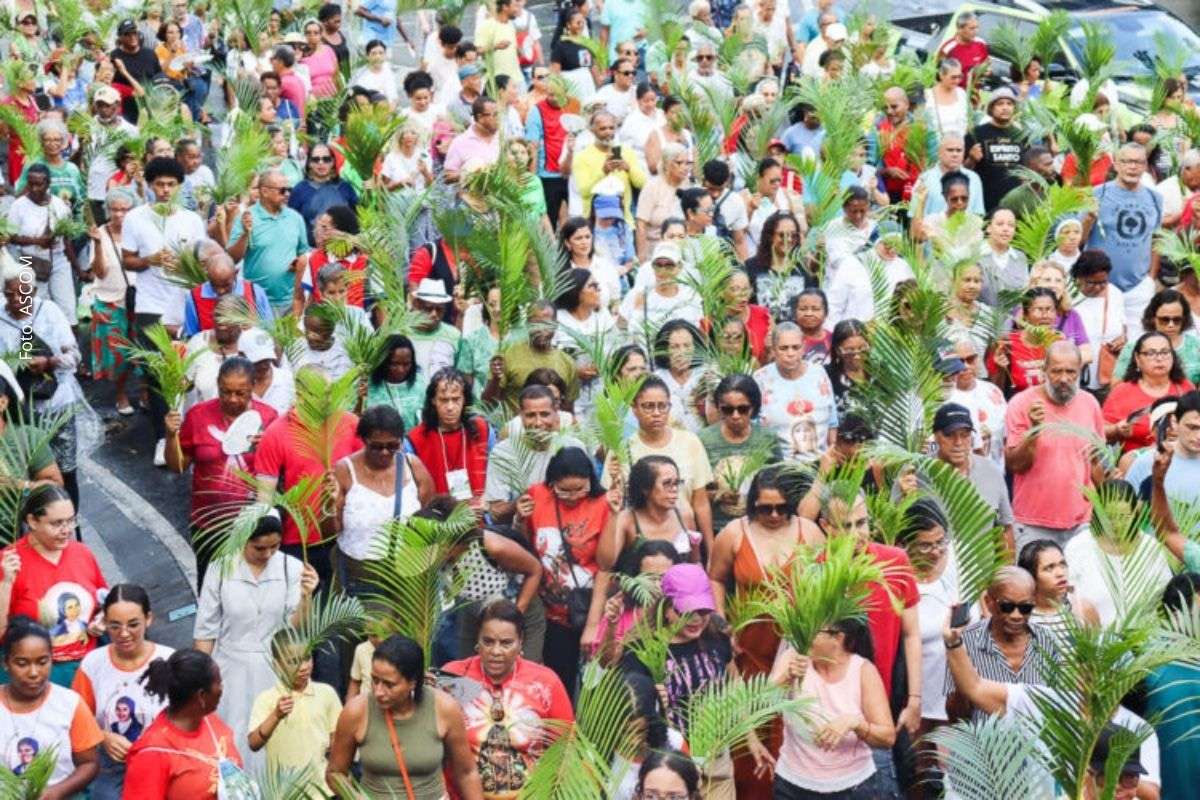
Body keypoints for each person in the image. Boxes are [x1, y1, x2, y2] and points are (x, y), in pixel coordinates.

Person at [707, 465, 822, 797]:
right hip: (749, 649)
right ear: (752, 505)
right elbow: (715, 578)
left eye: (782, 508)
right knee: (751, 731)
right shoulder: (734, 533)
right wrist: (720, 622)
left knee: (795, 730)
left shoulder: (810, 533)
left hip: (798, 647)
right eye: (765, 508)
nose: (773, 514)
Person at [193, 510, 318, 774]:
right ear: (243, 540)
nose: (267, 554)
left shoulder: (291, 568)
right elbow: (206, 630)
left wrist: (306, 597)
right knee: (232, 736)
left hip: (274, 669)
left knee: (274, 735)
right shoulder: (220, 568)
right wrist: (201, 682)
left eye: (274, 547)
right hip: (229, 668)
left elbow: (292, 631)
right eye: (259, 548)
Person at [621, 563, 736, 798]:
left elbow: (733, 685)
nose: (696, 619)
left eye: (703, 611)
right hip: (669, 766)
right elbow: (638, 715)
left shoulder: (717, 637)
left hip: (717, 761)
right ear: (665, 608)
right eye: (686, 612)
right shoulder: (641, 651)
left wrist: (752, 739)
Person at [442, 599, 575, 798]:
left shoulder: (545, 683)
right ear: (477, 641)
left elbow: (566, 750)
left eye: (506, 643)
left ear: (521, 642)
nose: (496, 651)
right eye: (488, 641)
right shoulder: (453, 677)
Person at [165, 357, 279, 589]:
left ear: (253, 387)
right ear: (217, 385)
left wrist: (266, 447)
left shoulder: (269, 418)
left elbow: (281, 471)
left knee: (252, 592)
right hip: (210, 526)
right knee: (212, 590)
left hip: (253, 528)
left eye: (241, 393)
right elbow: (177, 466)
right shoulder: (198, 415)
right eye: (225, 392)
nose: (232, 399)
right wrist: (170, 436)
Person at [326, 634, 484, 798]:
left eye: (389, 684)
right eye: (375, 680)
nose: (378, 691)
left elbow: (466, 772)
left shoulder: (444, 708)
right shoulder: (357, 711)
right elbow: (335, 773)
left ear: (413, 682)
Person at [516, 446, 615, 694]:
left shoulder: (603, 504)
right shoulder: (536, 496)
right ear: (551, 484)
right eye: (564, 490)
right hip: (551, 613)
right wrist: (519, 519)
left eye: (580, 489)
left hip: (590, 606)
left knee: (596, 686)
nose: (572, 496)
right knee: (558, 681)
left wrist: (593, 624)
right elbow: (525, 549)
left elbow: (606, 566)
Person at [254, 367, 363, 584]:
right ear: (300, 394)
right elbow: (264, 498)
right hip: (300, 545)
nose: (328, 399)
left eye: (330, 392)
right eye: (320, 394)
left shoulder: (350, 423)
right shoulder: (276, 433)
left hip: (347, 538)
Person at [768, 617, 897, 798]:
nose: (804, 637)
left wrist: (855, 723)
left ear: (838, 638)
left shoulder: (863, 670)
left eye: (813, 631)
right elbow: (761, 704)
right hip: (793, 785)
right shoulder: (793, 657)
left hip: (852, 787)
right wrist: (786, 677)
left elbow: (887, 737)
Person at [73, 585, 174, 800]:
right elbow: (76, 717)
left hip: (161, 767)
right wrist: (102, 737)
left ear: (148, 619)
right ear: (105, 623)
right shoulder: (94, 663)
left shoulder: (169, 662)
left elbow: (190, 720)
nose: (124, 634)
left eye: (133, 624)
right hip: (109, 772)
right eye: (115, 626)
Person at [0, 486, 106, 686]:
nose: (67, 530)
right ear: (32, 521)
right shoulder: (8, 564)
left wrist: (101, 620)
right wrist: (5, 584)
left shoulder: (82, 553)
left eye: (71, 520)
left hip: (90, 665)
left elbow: (105, 601)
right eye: (57, 523)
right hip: (38, 678)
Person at [1006, 341, 1106, 550]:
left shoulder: (1090, 403)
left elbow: (1096, 462)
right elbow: (1014, 464)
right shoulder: (1021, 403)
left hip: (1081, 522)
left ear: (1080, 371)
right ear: (1044, 371)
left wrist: (1106, 504)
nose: (1063, 379)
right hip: (1033, 523)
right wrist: (1034, 430)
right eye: (1056, 371)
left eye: (1070, 372)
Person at [331, 405, 434, 593]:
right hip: (361, 576)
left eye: (393, 446)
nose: (385, 452)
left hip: (407, 575)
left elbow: (429, 517)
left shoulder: (413, 467)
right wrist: (328, 505)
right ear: (363, 440)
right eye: (376, 446)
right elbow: (332, 529)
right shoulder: (345, 470)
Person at [121, 649, 243, 799]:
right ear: (201, 696)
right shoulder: (152, 754)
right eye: (219, 683)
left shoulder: (210, 719)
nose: (222, 688)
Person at [0, 617, 102, 794]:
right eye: (22, 663)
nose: (34, 673)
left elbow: (89, 763)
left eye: (42, 662)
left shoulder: (70, 704)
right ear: (6, 664)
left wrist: (58, 791)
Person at [944, 567, 1059, 722]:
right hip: (985, 744)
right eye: (1007, 607)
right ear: (988, 602)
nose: (1016, 615)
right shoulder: (965, 642)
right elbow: (954, 717)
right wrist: (965, 688)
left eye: (1025, 608)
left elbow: (1058, 708)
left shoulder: (1048, 641)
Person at [1063, 480, 1172, 626]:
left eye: (1123, 517)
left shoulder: (1151, 549)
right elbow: (1066, 597)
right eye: (1109, 517)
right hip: (1090, 641)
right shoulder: (1078, 547)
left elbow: (1164, 598)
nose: (1116, 525)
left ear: (1134, 513)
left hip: (1143, 640)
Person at [247, 629, 343, 795]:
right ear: (276, 664)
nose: (303, 667)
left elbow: (339, 742)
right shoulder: (267, 699)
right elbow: (253, 743)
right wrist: (276, 716)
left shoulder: (326, 693)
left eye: (307, 658)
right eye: (293, 661)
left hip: (322, 791)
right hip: (285, 793)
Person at [1083, 143, 1163, 337]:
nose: (1132, 167)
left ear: (1145, 166)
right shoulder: (1097, 193)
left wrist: (1150, 278)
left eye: (1138, 162)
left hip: (1138, 287)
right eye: (1127, 161)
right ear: (1116, 165)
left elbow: (1157, 240)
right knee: (1102, 344)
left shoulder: (1155, 198)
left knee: (1139, 343)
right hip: (1100, 284)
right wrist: (1088, 220)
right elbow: (1080, 239)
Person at [699, 375, 784, 532]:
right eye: (728, 409)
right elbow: (696, 493)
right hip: (717, 527)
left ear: (753, 408)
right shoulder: (703, 440)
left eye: (742, 409)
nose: (735, 416)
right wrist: (719, 495)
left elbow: (780, 485)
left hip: (759, 527)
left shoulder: (768, 438)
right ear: (719, 408)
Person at [225, 168, 310, 314]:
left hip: (291, 302)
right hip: (256, 302)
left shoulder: (295, 218)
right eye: (282, 190)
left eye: (289, 189)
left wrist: (299, 262)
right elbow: (231, 258)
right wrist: (245, 234)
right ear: (264, 192)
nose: (287, 194)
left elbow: (304, 253)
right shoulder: (247, 217)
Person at [755, 323, 838, 463]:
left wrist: (830, 455)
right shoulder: (760, 379)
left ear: (803, 347)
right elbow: (753, 426)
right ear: (774, 349)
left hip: (820, 466)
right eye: (783, 348)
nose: (790, 353)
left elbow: (832, 420)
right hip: (779, 468)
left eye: (795, 347)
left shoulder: (819, 373)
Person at [7, 162, 78, 324]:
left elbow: (67, 240)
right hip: (28, 260)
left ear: (48, 184)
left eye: (38, 184)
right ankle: (28, 348)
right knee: (30, 310)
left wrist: (78, 269)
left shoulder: (59, 205)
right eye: (30, 183)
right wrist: (37, 241)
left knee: (67, 308)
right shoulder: (18, 206)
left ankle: (70, 347)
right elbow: (11, 236)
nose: (33, 188)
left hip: (58, 260)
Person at [407, 368, 490, 506]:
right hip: (435, 521)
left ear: (465, 400)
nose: (450, 407)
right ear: (433, 400)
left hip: (478, 516)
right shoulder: (415, 439)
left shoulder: (483, 430)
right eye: (444, 400)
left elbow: (496, 477)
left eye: (456, 399)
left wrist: (486, 503)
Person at [1103, 331, 1195, 453]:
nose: (1159, 358)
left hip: (1182, 459)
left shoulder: (1185, 387)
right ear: (1137, 358)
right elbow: (1100, 430)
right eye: (1151, 353)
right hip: (1133, 462)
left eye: (1165, 352)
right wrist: (1116, 430)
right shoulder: (1122, 392)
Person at [486, 300, 578, 411]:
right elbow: (488, 404)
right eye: (535, 324)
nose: (540, 330)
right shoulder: (508, 354)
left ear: (555, 325)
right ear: (527, 324)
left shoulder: (567, 362)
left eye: (546, 324)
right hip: (517, 427)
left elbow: (568, 409)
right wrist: (495, 379)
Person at [1111, 289, 1200, 385]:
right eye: (1164, 320)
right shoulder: (1134, 347)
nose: (1171, 325)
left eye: (1177, 320)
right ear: (1152, 318)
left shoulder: (1196, 346)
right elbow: (1116, 385)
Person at [1125, 390, 1200, 502]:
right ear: (1175, 422)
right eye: (1192, 427)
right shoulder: (1148, 462)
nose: (1198, 436)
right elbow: (1125, 512)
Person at [573, 109, 647, 221]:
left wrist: (629, 169)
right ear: (592, 130)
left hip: (624, 221)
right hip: (595, 223)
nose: (608, 132)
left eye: (611, 128)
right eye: (602, 128)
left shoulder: (626, 152)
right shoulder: (582, 157)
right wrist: (603, 172)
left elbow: (642, 183)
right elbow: (584, 191)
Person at [1016, 541, 1100, 637]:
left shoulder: (1082, 609)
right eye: (1049, 568)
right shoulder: (1018, 616)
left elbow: (1098, 650)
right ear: (1030, 576)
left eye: (1062, 564)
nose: (1060, 573)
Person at [1072, 250, 1127, 394]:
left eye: (1103, 282)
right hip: (1074, 375)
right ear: (1079, 277)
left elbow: (1123, 327)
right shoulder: (1068, 296)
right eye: (1091, 282)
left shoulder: (1115, 294)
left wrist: (1122, 339)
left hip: (1106, 374)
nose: (1097, 287)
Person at [987, 288, 1061, 396]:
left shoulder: (1060, 343)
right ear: (1025, 315)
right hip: (1018, 409)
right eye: (1039, 309)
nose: (1045, 316)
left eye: (1050, 309)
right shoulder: (1006, 344)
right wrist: (1000, 368)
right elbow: (995, 391)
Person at [965, 87, 1024, 212]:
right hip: (985, 202)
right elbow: (962, 171)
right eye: (1000, 104)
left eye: (1009, 104)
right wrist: (971, 159)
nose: (1005, 107)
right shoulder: (976, 134)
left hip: (1015, 203)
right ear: (991, 108)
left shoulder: (1022, 135)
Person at [288, 144, 359, 243]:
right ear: (309, 163)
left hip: (343, 250)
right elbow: (291, 223)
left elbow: (357, 218)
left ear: (333, 162)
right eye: (316, 159)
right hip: (311, 252)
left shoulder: (345, 188)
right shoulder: (299, 190)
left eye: (326, 159)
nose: (321, 163)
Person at [366, 335, 428, 430]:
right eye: (394, 364)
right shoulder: (368, 386)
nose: (401, 370)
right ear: (383, 361)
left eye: (406, 364)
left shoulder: (421, 384)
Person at [916, 135, 985, 217]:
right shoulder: (924, 179)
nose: (955, 154)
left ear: (964, 153)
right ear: (939, 152)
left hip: (966, 229)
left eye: (959, 150)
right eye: (950, 150)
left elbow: (978, 214)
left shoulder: (974, 179)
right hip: (931, 228)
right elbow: (914, 214)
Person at [443, 97, 502, 183]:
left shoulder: (501, 138)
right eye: (495, 115)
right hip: (469, 195)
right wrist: (471, 174)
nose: (499, 119)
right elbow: (447, 176)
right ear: (480, 117)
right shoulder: (460, 142)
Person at [937, 12, 988, 85]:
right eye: (972, 28)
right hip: (953, 92)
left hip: (972, 94)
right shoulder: (948, 48)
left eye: (977, 27)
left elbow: (987, 65)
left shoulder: (981, 44)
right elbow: (938, 75)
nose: (976, 31)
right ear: (959, 29)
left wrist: (986, 72)